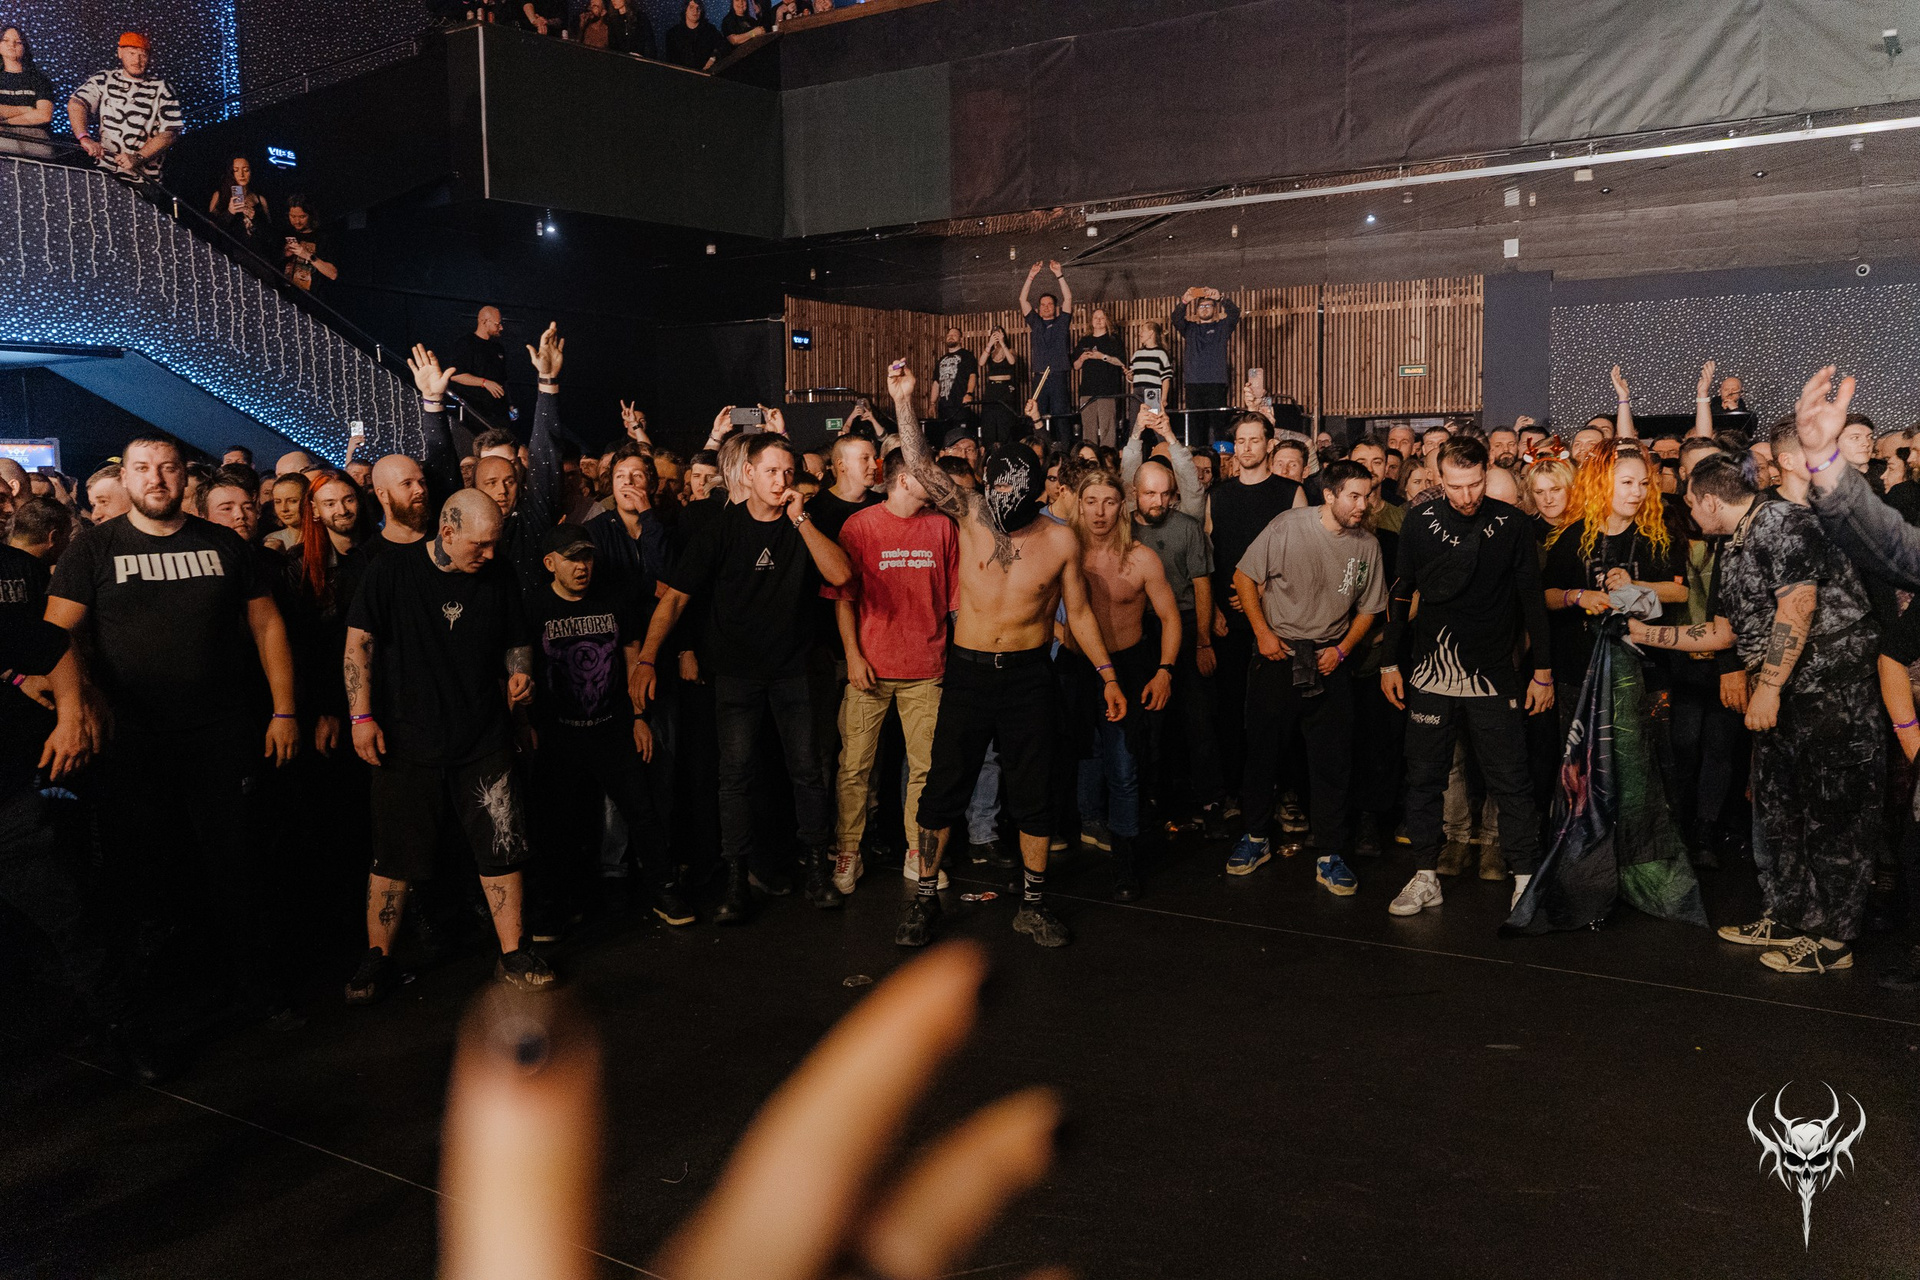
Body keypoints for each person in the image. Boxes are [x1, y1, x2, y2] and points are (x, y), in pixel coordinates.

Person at [46, 432, 302, 1024]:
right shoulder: (95, 549)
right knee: (151, 873)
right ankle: (171, 1001)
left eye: (166, 468)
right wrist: (75, 708)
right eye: (143, 469)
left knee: (237, 867)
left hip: (221, 734)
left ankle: (254, 990)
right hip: (135, 743)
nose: (156, 479)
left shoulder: (222, 544)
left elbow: (267, 627)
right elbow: (56, 634)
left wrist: (285, 711)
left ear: (186, 478)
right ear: (126, 478)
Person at [887, 359, 1124, 949]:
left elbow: (1080, 613)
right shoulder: (970, 513)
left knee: (1034, 794)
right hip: (968, 673)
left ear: (1039, 490)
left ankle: (1033, 905)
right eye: (997, 488)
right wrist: (905, 400)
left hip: (1027, 677)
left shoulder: (1060, 539)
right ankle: (924, 898)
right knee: (943, 788)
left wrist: (1108, 675)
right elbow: (920, 466)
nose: (1003, 500)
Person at [1637, 440, 1880, 975]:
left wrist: (1766, 687)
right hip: (1787, 697)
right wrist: (1644, 633)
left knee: (1833, 817)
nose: (1688, 512)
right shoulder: (1735, 542)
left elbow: (1799, 604)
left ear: (1709, 500)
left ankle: (1833, 939)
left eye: (1690, 502)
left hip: (1829, 693)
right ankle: (1790, 916)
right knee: (1780, 811)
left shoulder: (1780, 522)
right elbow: (1725, 632)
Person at [343, 489, 552, 1002]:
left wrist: (521, 678)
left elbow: (517, 640)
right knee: (394, 854)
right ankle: (378, 958)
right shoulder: (390, 571)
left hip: (483, 733)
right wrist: (361, 716)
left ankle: (514, 952)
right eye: (480, 545)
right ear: (448, 532)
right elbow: (358, 644)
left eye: (495, 544)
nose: (490, 554)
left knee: (502, 844)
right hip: (406, 736)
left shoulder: (498, 574)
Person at [635, 433, 854, 922]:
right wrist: (647, 658)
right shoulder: (721, 528)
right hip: (736, 675)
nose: (780, 480)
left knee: (807, 772)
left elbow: (841, 575)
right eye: (771, 471)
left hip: (793, 672)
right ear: (748, 474)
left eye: (787, 472)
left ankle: (816, 872)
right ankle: (735, 879)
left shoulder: (803, 525)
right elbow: (675, 598)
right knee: (734, 777)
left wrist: (800, 519)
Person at [1379, 436, 1553, 918]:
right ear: (1439, 478)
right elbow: (1401, 592)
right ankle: (1425, 876)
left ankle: (1525, 880)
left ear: (1486, 473)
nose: (1467, 495)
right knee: (1424, 778)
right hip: (1430, 671)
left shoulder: (1513, 523)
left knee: (1510, 779)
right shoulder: (1419, 521)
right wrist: (1390, 662)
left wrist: (1542, 670)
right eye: (1455, 486)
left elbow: (1532, 600)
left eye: (1474, 483)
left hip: (1494, 674)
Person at [1228, 460, 1385, 896]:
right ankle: (1255, 837)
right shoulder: (1287, 526)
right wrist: (1262, 634)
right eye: (1353, 496)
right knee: (1263, 753)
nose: (1362, 505)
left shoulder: (1368, 545)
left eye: (1367, 495)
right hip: (1279, 654)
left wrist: (1343, 650)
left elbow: (1369, 608)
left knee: (1333, 761)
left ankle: (1330, 853)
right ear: (1329, 495)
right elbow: (1243, 577)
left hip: (1329, 658)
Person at [526, 524, 690, 931]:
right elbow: (523, 669)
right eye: (571, 559)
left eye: (586, 557)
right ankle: (555, 904)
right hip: (561, 732)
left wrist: (639, 718)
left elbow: (632, 658)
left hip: (611, 728)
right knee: (559, 822)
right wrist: (526, 726)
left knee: (642, 810)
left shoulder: (612, 599)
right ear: (550, 563)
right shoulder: (535, 607)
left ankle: (664, 889)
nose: (582, 566)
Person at [826, 450, 958, 894]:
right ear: (903, 480)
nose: (936, 481)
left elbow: (956, 602)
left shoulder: (942, 527)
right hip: (870, 669)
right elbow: (843, 599)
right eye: (927, 474)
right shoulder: (859, 526)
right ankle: (849, 850)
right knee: (854, 768)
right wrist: (853, 656)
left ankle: (917, 852)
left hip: (927, 668)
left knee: (926, 770)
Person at [1067, 467, 1179, 900]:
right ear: (1080, 505)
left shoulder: (1141, 558)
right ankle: (1085, 826)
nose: (1100, 511)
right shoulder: (1066, 553)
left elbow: (1170, 617)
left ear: (1123, 505)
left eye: (1109, 502)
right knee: (1080, 754)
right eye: (1092, 501)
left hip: (1129, 666)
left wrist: (1165, 670)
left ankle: (1126, 859)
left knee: (1124, 765)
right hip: (1077, 667)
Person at [1206, 413, 1306, 813]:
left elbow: (1302, 559)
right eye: (1241, 441)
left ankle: (1286, 791)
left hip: (1278, 617)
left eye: (1254, 440)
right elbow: (1209, 560)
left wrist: (1262, 590)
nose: (1246, 448)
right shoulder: (1218, 495)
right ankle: (1235, 791)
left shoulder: (1291, 492)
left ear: (1269, 444)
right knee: (1230, 707)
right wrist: (1214, 609)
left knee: (1278, 710)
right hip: (1228, 620)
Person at [1131, 451, 1224, 827]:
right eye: (1150, 494)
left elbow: (1202, 585)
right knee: (1151, 723)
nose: (1159, 501)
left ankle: (1211, 803)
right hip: (1142, 628)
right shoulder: (1123, 529)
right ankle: (1152, 802)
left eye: (1165, 493)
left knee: (1198, 720)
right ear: (1135, 493)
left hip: (1185, 624)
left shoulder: (1187, 527)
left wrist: (1203, 641)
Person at [67, 32, 180, 183]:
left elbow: (170, 132)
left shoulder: (163, 88)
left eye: (143, 55)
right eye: (132, 53)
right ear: (120, 53)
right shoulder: (104, 79)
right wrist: (84, 137)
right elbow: (77, 103)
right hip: (106, 173)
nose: (137, 60)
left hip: (145, 179)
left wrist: (138, 157)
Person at [1171, 286, 1241, 440]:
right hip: (1193, 384)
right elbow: (1176, 318)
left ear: (1215, 309)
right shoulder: (1190, 329)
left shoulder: (1222, 327)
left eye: (1208, 305)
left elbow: (1235, 313)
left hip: (1216, 383)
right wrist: (1184, 302)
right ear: (1196, 310)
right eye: (1201, 306)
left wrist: (1220, 298)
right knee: (1196, 426)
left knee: (1219, 425)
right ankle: (1197, 453)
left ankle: (1220, 453)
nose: (1205, 309)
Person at [1019, 261, 1074, 430]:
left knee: (1061, 417)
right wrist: (1031, 276)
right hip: (1039, 376)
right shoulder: (1035, 323)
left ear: (1055, 307)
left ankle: (1063, 445)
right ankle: (1039, 444)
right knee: (1037, 416)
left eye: (1050, 304)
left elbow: (1068, 298)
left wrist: (1059, 274)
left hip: (1058, 375)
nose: (1046, 307)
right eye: (1043, 305)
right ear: (1038, 308)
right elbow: (1022, 299)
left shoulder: (1062, 322)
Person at [448, 306, 513, 433]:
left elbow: (504, 379)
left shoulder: (498, 348)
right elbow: (456, 375)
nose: (501, 328)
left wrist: (510, 403)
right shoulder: (466, 344)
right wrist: (485, 382)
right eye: (497, 324)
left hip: (499, 412)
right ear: (484, 322)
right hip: (476, 411)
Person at [1071, 308, 1127, 449]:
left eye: (1102, 318)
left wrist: (1102, 356)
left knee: (1107, 427)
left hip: (1107, 390)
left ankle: (1108, 457)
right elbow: (1076, 366)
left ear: (1107, 320)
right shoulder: (1085, 340)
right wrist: (1082, 358)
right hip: (1087, 390)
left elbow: (1121, 362)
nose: (1098, 320)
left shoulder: (1113, 339)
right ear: (1091, 321)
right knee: (1088, 428)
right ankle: (1090, 457)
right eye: (1096, 317)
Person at [0, 27, 56, 157]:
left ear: (25, 47)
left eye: (18, 42)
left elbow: (44, 115)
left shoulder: (39, 79)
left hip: (36, 138)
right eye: (6, 40)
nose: (12, 45)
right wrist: (27, 109)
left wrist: (6, 121)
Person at [208, 156, 274, 260]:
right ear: (231, 173)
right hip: (231, 256)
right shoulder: (220, 196)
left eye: (246, 170)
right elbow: (212, 231)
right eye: (236, 170)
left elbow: (269, 236)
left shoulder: (260, 199)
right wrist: (230, 212)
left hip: (257, 256)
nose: (241, 174)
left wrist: (255, 219)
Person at [977, 325, 1022, 446]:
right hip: (992, 389)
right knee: (990, 420)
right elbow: (981, 362)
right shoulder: (990, 351)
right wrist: (990, 344)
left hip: (1005, 388)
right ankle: (989, 448)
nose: (996, 334)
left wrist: (1002, 343)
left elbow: (1012, 361)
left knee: (1005, 420)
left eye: (999, 332)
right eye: (994, 333)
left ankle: (1006, 446)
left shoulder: (1010, 350)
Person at [281, 199, 338, 293]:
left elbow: (333, 274)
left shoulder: (323, 238)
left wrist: (307, 255)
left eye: (302, 217)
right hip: (285, 293)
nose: (297, 221)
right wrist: (284, 254)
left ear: (311, 216)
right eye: (293, 216)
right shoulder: (284, 233)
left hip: (310, 296)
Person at [931, 326, 978, 426]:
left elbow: (972, 375)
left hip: (960, 404)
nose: (951, 337)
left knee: (959, 432)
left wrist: (969, 393)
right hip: (943, 406)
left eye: (954, 335)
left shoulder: (967, 356)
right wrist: (932, 403)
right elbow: (936, 382)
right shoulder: (941, 360)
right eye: (949, 335)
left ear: (961, 339)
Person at [665, 0, 726, 70]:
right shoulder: (673, 33)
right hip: (681, 74)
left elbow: (722, 47)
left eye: (698, 8)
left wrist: (713, 59)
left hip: (707, 73)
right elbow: (670, 60)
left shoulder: (710, 30)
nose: (695, 11)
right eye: (691, 7)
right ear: (685, 10)